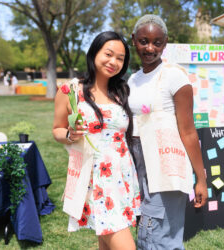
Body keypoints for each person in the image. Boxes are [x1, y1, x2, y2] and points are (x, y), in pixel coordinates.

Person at [53, 31, 140, 250]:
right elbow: (57, 129)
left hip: (122, 176)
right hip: (95, 179)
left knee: (106, 241)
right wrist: (70, 135)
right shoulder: (71, 91)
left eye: (120, 58)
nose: (114, 62)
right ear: (94, 53)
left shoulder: (121, 92)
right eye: (109, 54)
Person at [128, 14, 208, 249]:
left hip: (165, 164)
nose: (150, 48)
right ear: (134, 40)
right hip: (137, 162)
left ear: (165, 43)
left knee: (158, 235)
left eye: (157, 42)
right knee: (145, 229)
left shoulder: (174, 76)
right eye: (144, 41)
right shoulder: (133, 79)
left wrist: (201, 179)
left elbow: (188, 131)